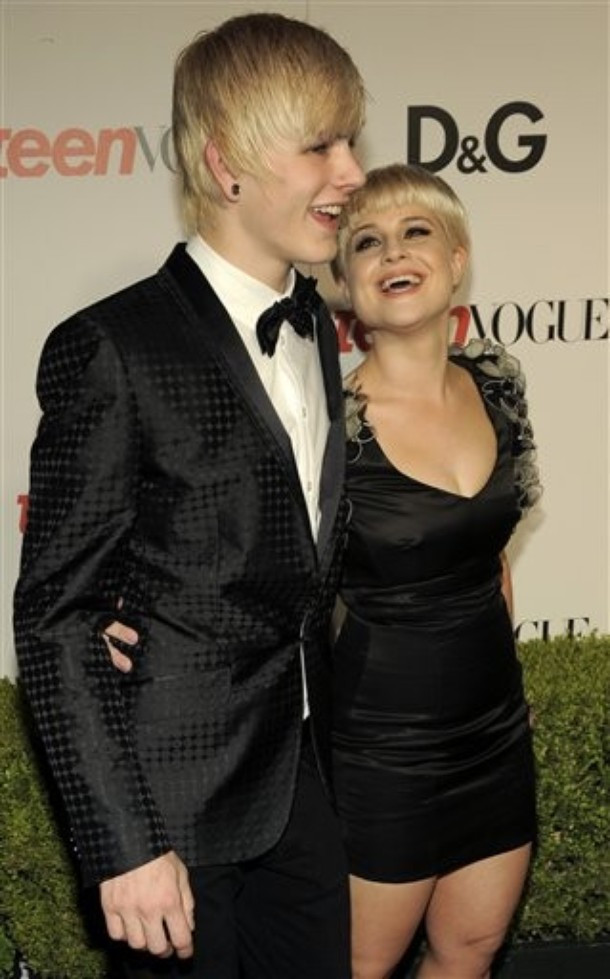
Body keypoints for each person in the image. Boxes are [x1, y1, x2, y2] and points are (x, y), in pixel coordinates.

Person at [13, 13, 365, 978]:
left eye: (350, 141)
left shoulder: (315, 329)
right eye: (320, 146)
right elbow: (56, 614)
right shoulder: (115, 346)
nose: (351, 172)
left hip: (301, 783)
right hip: (172, 808)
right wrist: (123, 844)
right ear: (226, 165)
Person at [329, 164, 541, 979]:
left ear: (457, 259)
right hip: (380, 753)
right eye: (366, 242)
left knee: (471, 950)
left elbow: (490, 558)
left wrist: (506, 685)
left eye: (416, 230)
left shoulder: (497, 388)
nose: (393, 252)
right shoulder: (329, 429)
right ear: (346, 286)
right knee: (359, 966)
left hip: (494, 736)